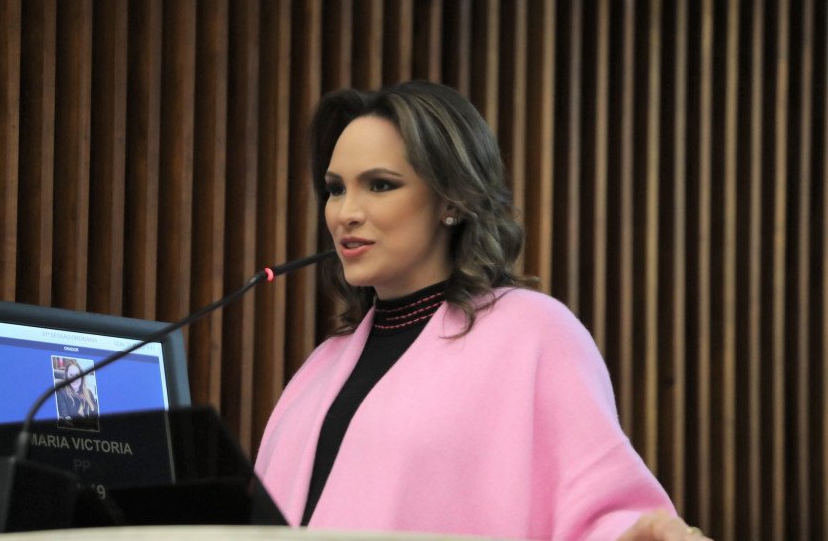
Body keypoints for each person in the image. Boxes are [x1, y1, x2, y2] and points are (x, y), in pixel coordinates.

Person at [255, 81, 710, 540]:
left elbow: (603, 510)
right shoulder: (321, 366)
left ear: (452, 200)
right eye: (335, 189)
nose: (345, 213)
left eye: (380, 185)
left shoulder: (532, 333)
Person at [56, 360, 99, 430]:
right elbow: (66, 419)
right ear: (67, 376)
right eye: (71, 375)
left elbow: (96, 416)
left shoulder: (89, 392)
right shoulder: (61, 392)